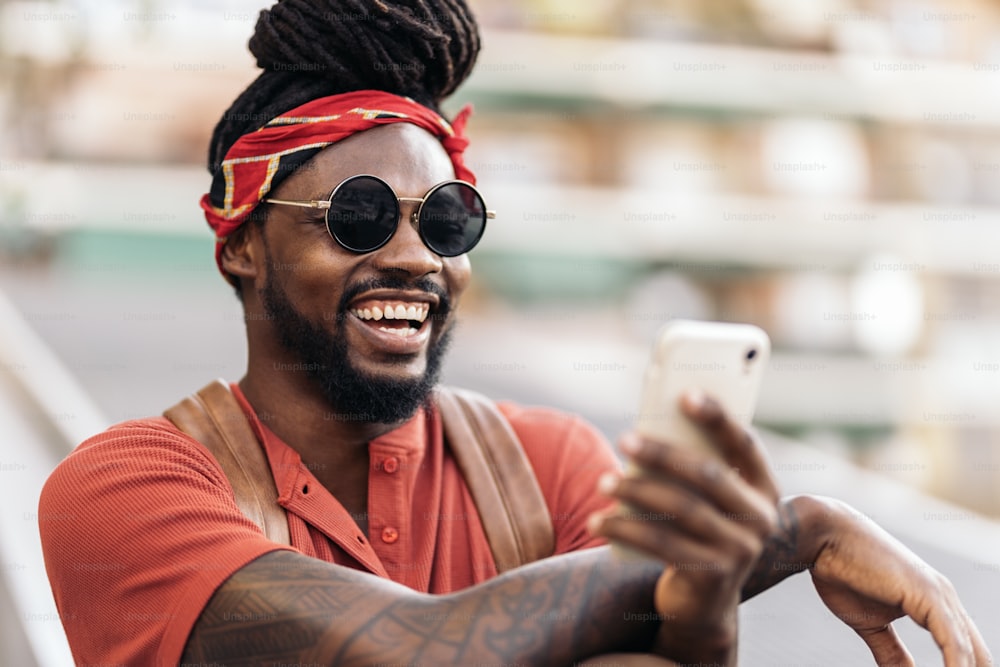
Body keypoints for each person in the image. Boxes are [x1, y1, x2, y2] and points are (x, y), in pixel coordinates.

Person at [38, 1, 991, 666]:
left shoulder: (554, 465)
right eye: (360, 214)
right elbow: (406, 652)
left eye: (447, 219)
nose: (416, 256)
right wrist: (787, 533)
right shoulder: (124, 492)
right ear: (243, 242)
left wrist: (702, 600)